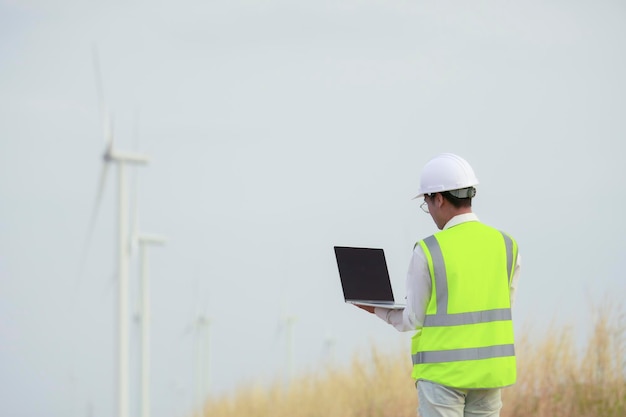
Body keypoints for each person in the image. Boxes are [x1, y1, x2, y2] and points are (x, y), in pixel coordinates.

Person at [357, 153, 521, 417]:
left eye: (427, 203)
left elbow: (413, 319)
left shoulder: (429, 250)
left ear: (439, 198)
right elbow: (502, 304)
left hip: (443, 376)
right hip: (490, 374)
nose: (430, 211)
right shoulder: (507, 245)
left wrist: (376, 309)